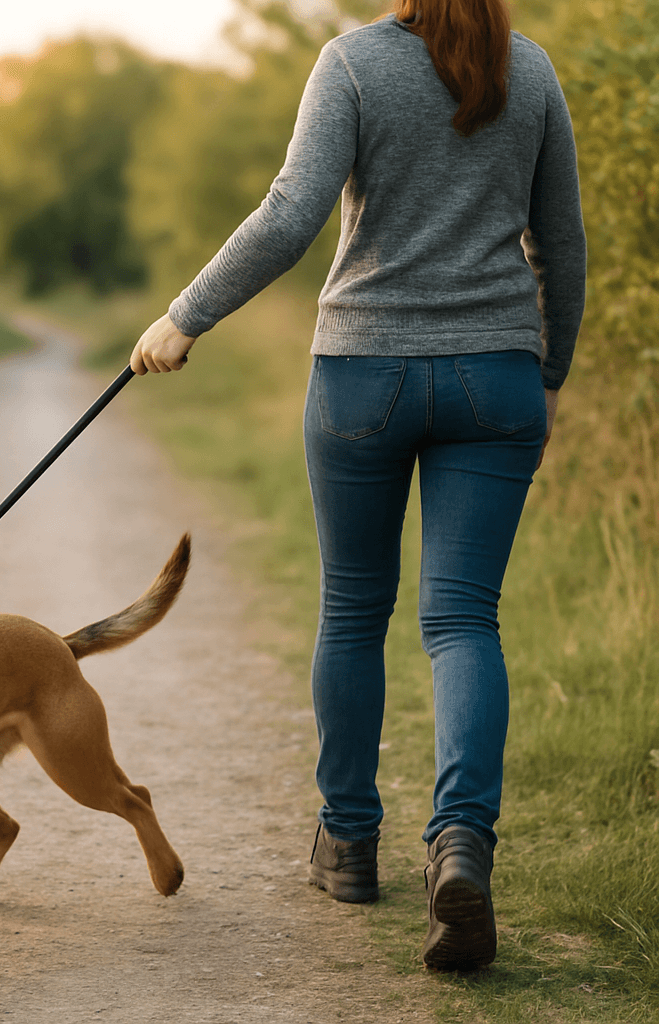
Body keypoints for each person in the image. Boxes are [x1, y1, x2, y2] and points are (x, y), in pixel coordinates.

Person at [129, 0, 586, 971]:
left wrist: (184, 316)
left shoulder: (350, 64)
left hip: (361, 375)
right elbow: (562, 242)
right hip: (493, 375)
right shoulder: (531, 70)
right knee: (462, 618)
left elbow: (290, 215)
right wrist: (547, 374)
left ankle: (346, 843)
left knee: (351, 610)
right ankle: (459, 845)